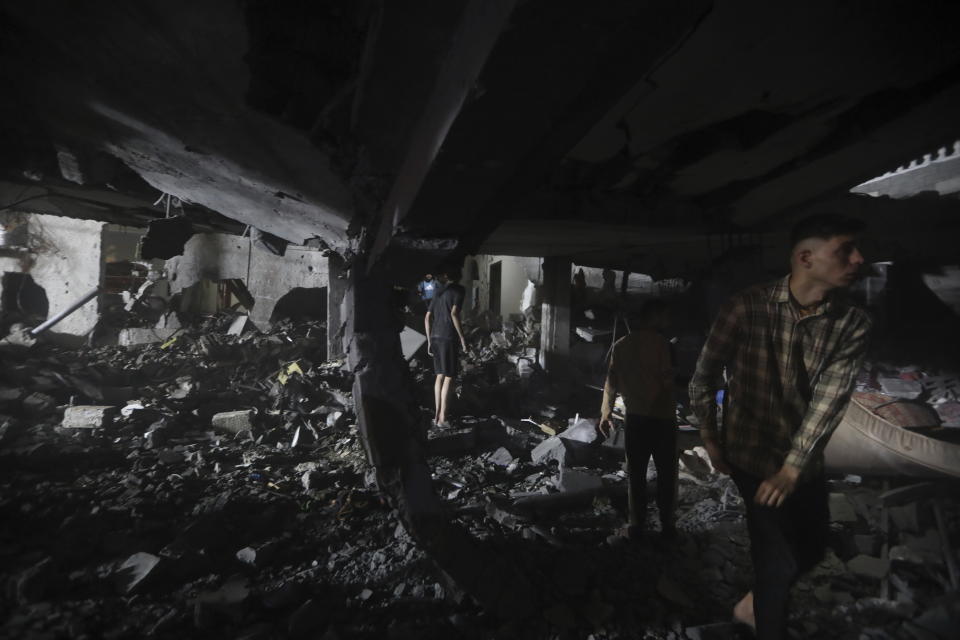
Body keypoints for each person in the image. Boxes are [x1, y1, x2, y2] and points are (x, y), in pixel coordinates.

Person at [688, 214, 872, 639]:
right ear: (805, 257)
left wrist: (792, 468)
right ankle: (766, 623)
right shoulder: (745, 307)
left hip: (803, 460)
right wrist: (711, 439)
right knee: (778, 559)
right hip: (751, 454)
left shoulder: (852, 324)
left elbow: (829, 401)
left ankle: (754, 603)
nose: (859, 258)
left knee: (814, 545)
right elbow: (705, 376)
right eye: (845, 249)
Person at [598, 299, 676, 541]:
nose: (668, 321)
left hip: (636, 419)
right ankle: (667, 526)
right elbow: (666, 381)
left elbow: (610, 382)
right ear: (654, 317)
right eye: (665, 315)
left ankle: (636, 525)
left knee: (636, 475)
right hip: (662, 419)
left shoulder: (620, 346)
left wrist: (606, 412)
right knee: (666, 475)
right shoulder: (662, 344)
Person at [425, 267, 467, 427]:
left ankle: (436, 417)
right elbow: (454, 314)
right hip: (448, 337)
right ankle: (443, 418)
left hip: (435, 337)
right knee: (449, 376)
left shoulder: (438, 291)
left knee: (439, 375)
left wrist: (429, 340)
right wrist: (463, 339)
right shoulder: (459, 290)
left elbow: (427, 317)